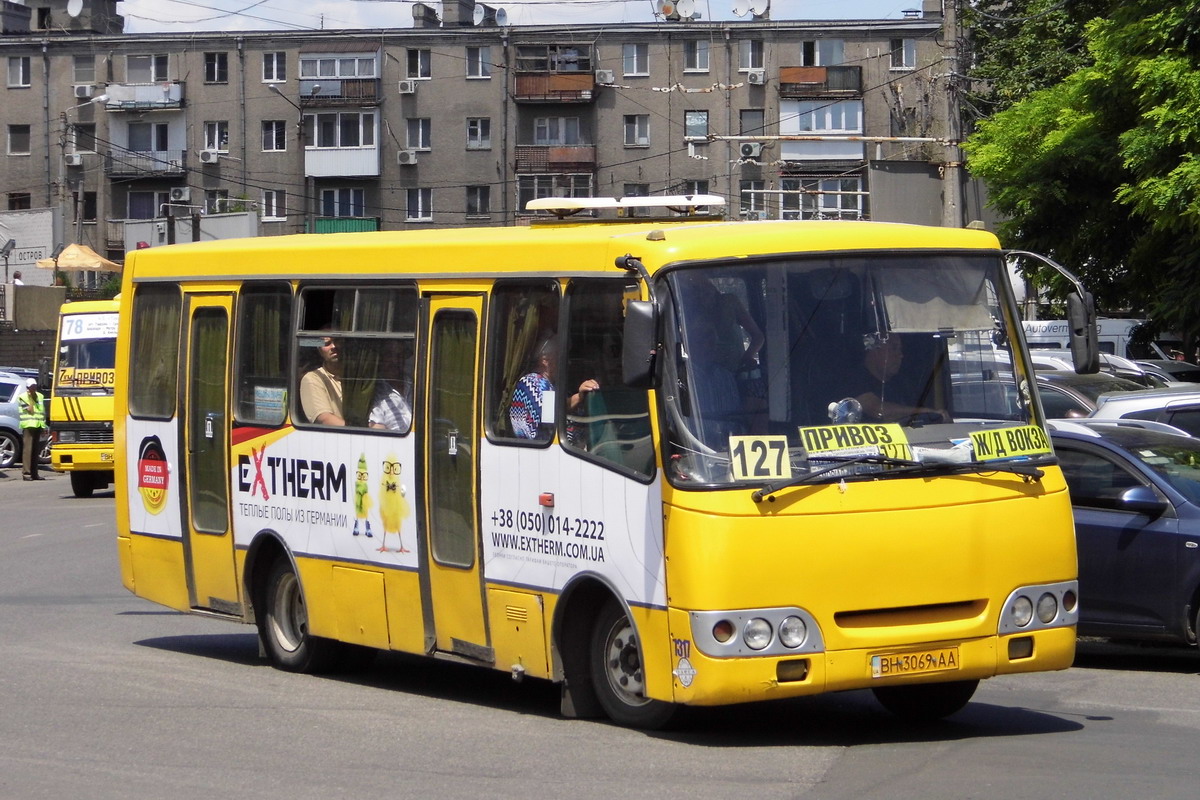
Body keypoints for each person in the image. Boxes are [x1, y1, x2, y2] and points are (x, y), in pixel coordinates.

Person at [838, 334, 947, 424]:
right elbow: (879, 410)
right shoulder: (854, 381)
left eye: (900, 349)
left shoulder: (902, 385)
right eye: (894, 348)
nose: (900, 355)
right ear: (874, 350)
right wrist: (928, 412)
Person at [509, 339, 598, 439]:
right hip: (540, 451)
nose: (568, 362)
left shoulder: (553, 385)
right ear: (545, 360)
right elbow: (550, 412)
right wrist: (578, 397)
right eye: (561, 357)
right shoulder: (532, 382)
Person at [300, 333, 345, 425]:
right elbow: (325, 419)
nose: (333, 346)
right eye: (326, 343)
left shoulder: (358, 376)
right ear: (320, 351)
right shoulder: (313, 378)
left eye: (337, 341)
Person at [368, 340, 413, 432]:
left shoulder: (415, 385)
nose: (394, 361)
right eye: (389, 355)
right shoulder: (375, 393)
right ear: (381, 358)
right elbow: (377, 433)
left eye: (399, 356)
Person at [18, 378, 47, 480]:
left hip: (38, 425)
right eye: (31, 387)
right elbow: (30, 410)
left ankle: (35, 474)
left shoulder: (40, 396)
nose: (33, 388)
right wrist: (30, 397)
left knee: (35, 451)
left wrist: (43, 426)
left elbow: (42, 412)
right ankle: (26, 473)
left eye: (34, 386)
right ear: (27, 387)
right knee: (28, 450)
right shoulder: (22, 397)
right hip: (28, 425)